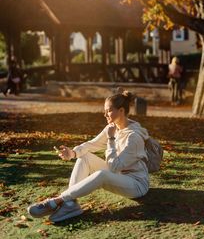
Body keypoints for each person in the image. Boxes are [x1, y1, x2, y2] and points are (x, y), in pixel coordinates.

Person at [27, 90, 150, 223]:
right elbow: (92, 144)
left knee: (102, 175)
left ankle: (57, 201)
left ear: (121, 111)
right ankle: (70, 205)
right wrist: (73, 153)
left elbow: (114, 167)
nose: (105, 114)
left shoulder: (134, 136)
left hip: (136, 184)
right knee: (84, 157)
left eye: (108, 110)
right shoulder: (113, 127)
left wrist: (111, 139)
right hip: (119, 174)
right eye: (104, 110)